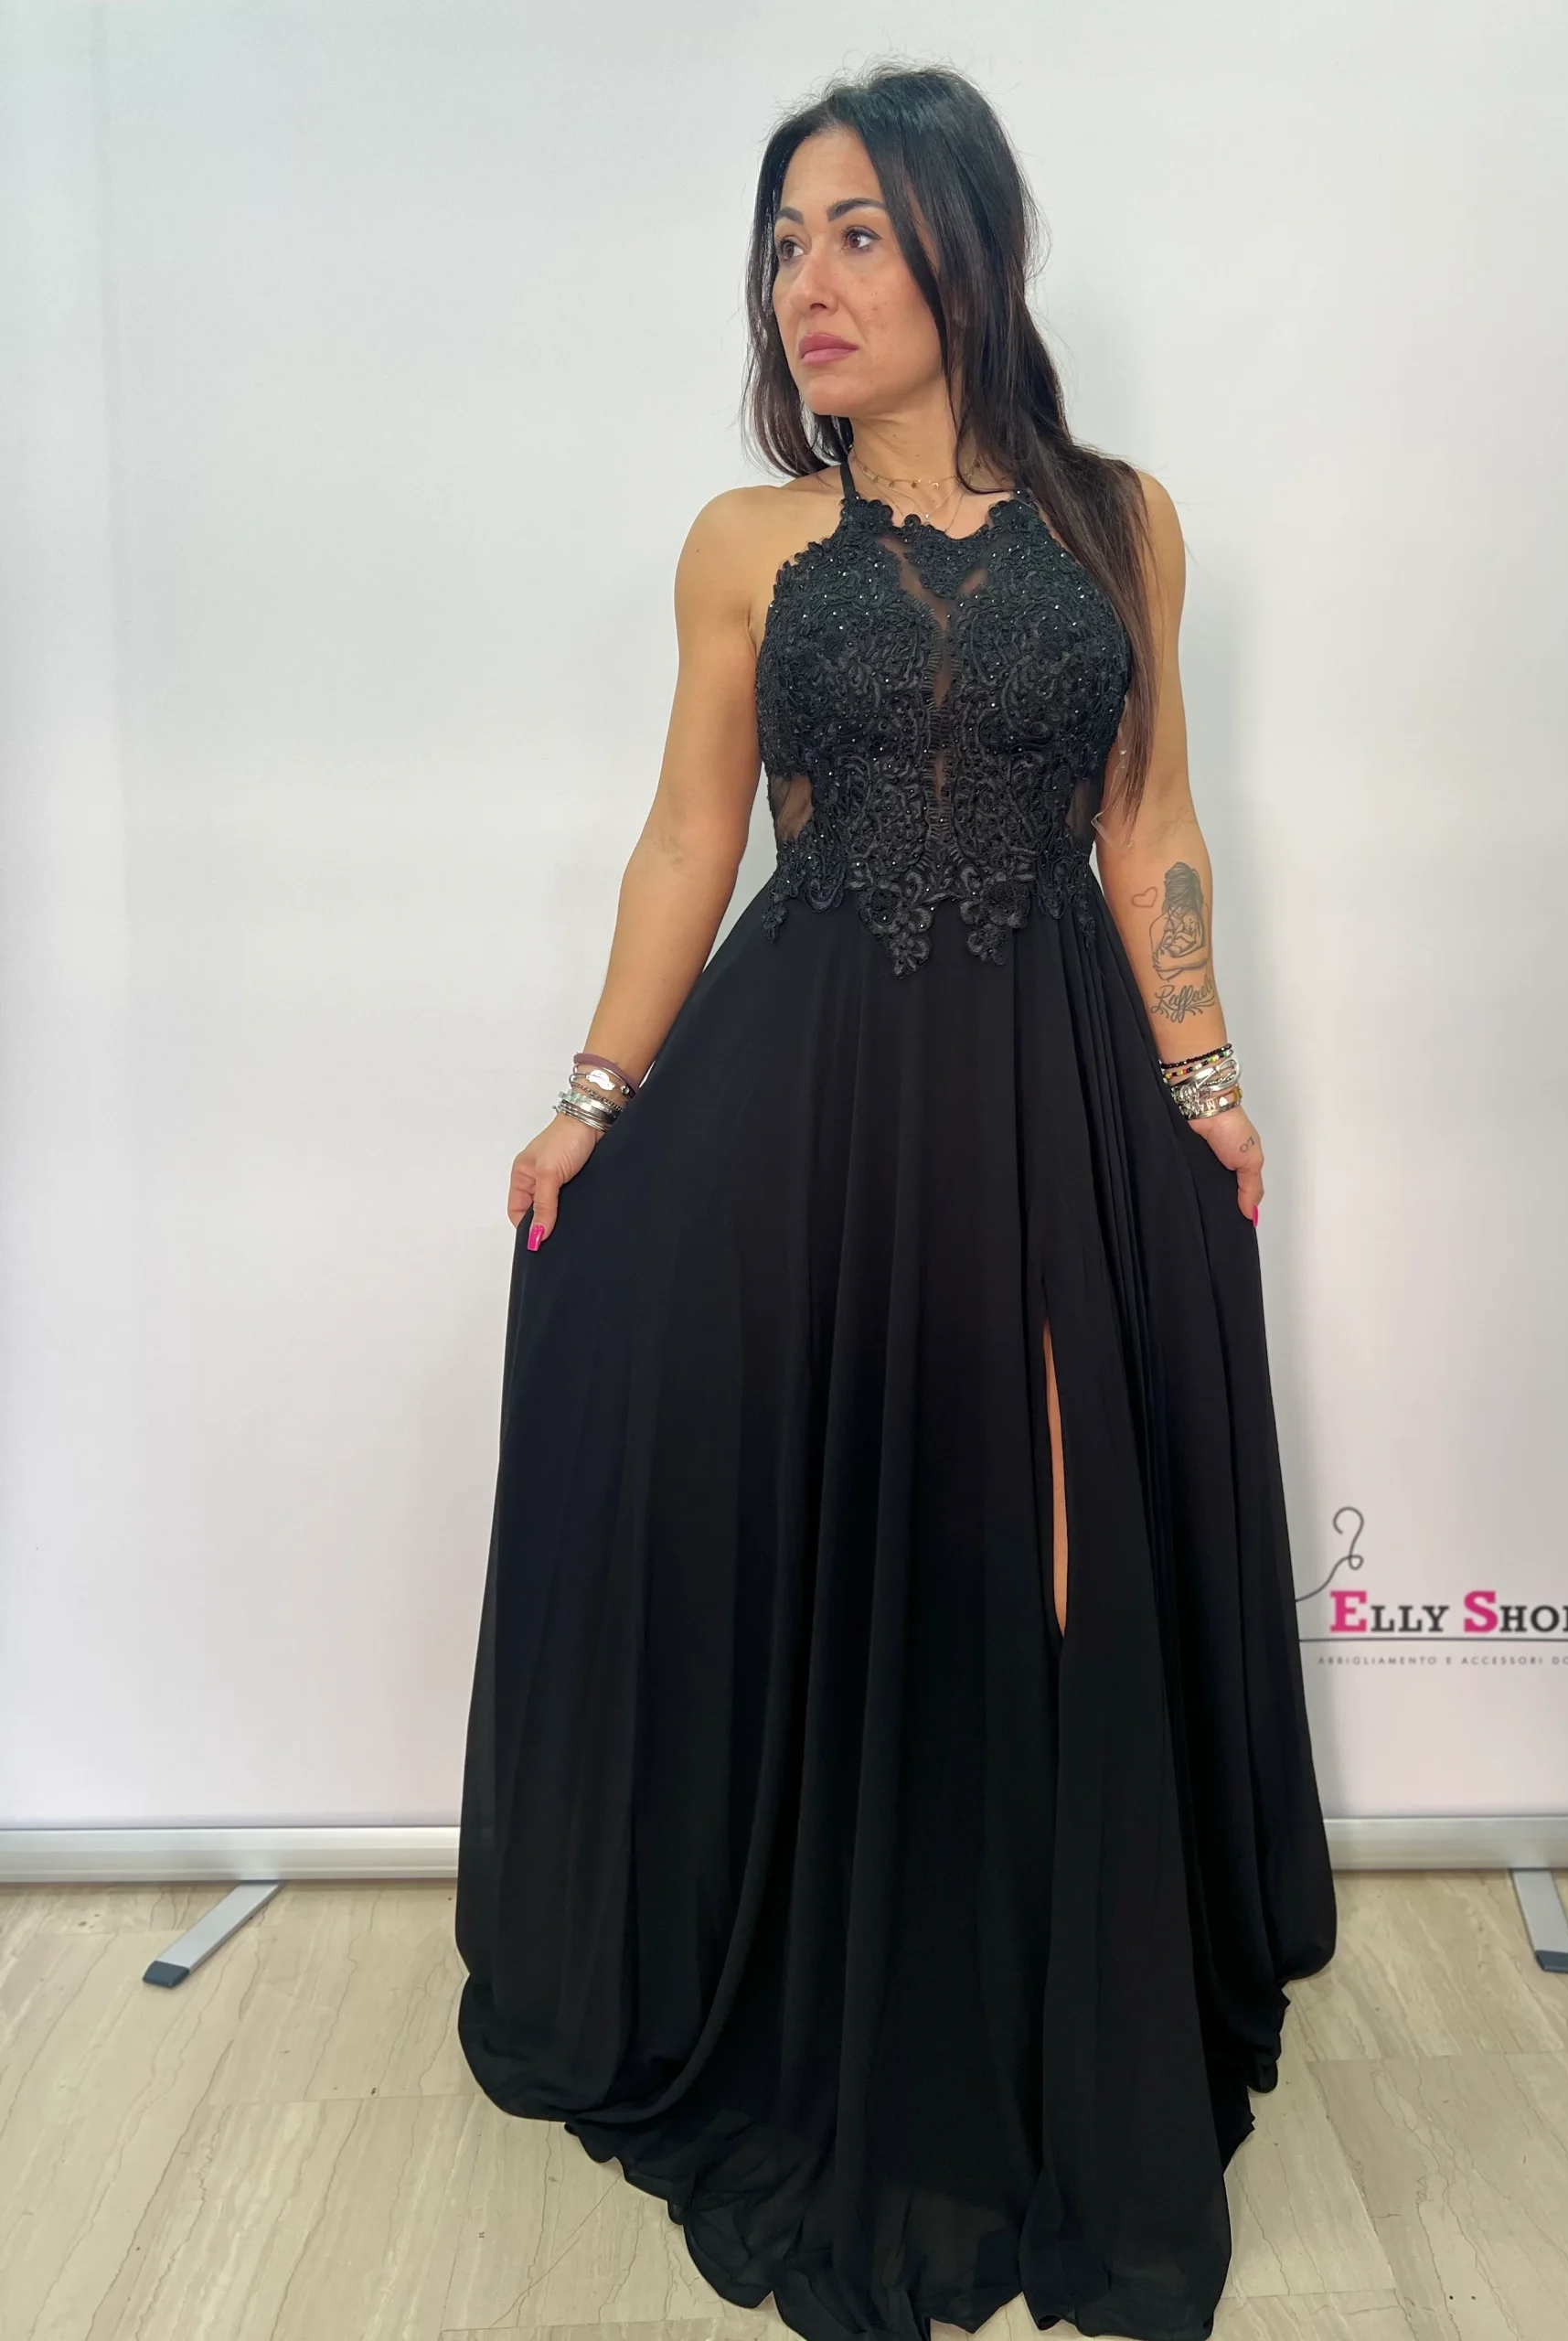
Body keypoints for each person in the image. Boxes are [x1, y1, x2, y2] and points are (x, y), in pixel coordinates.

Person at [454, 59, 1337, 2341]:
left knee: (1053, 1550)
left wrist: (1209, 1078)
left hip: (1052, 1087)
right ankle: (865, 2032)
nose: (809, 283)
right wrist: (590, 1101)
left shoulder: (1125, 523)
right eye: (783, 244)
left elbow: (1150, 821)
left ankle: (1038, 2047)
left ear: (967, 246)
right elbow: (691, 837)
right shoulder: (743, 545)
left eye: (854, 232)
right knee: (834, 1532)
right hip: (813, 1096)